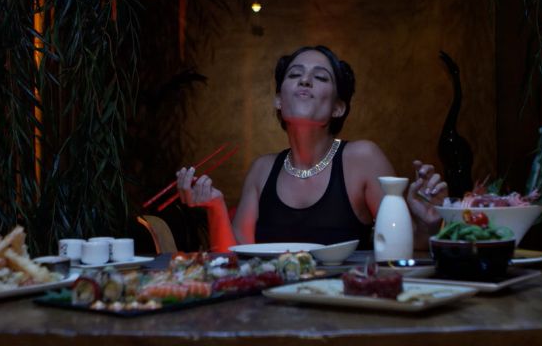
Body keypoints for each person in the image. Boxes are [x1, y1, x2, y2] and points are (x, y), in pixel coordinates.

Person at [176, 45, 448, 252]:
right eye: (295, 74)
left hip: (346, 302)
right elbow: (233, 258)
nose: (305, 81)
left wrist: (430, 223)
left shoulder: (362, 158)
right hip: (272, 305)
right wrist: (215, 207)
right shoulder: (262, 169)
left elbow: (407, 245)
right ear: (279, 100)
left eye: (320, 77)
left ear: (338, 108)